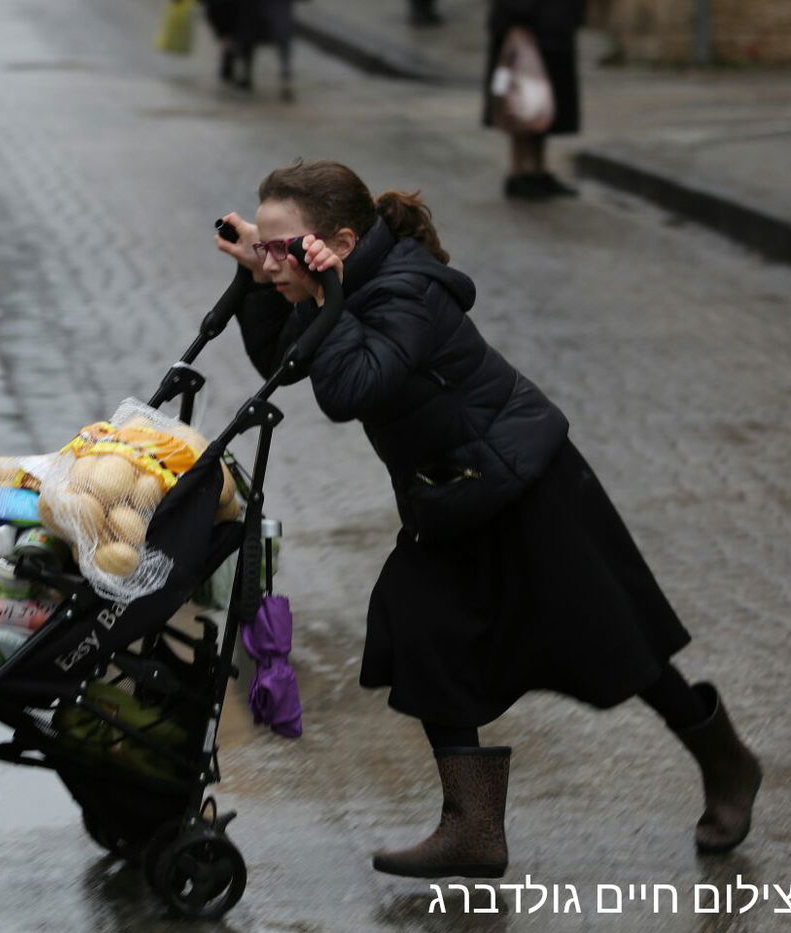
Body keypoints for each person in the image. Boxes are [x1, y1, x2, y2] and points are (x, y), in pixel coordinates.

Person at [213, 159, 762, 879]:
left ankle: (727, 764)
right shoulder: (341, 285)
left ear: (339, 243)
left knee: (620, 648)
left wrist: (322, 292)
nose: (271, 257)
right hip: (450, 495)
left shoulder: (407, 289)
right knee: (422, 632)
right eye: (268, 244)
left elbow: (348, 387)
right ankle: (473, 829)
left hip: (527, 483)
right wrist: (264, 280)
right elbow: (289, 362)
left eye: (282, 247)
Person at [484, 0, 583, 199]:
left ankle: (538, 171)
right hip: (527, 32)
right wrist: (520, 17)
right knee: (521, 104)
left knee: (543, 109)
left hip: (551, 33)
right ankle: (519, 172)